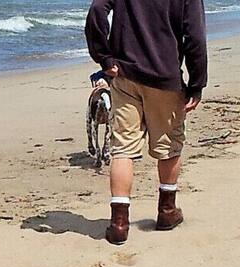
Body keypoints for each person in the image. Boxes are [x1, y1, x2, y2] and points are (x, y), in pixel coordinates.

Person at [85, 0, 207, 244]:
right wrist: (197, 83)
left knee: (122, 148)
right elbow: (195, 37)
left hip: (125, 75)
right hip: (164, 76)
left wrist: (104, 57)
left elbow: (97, 9)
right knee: (169, 145)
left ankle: (119, 224)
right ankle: (167, 211)